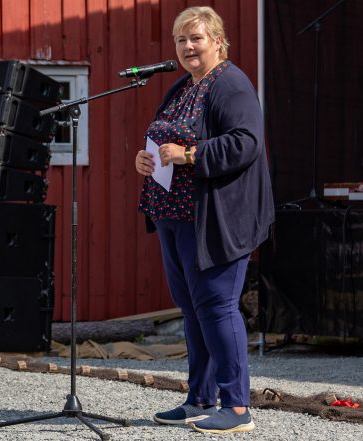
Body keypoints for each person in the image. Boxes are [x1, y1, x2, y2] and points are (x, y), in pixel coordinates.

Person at [133, 6, 274, 434]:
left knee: (217, 307)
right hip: (175, 217)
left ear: (217, 40)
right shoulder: (182, 86)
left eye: (196, 38)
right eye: (181, 40)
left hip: (215, 219)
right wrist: (148, 158)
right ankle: (199, 398)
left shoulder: (230, 84)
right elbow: (164, 139)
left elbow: (245, 142)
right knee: (193, 311)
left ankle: (236, 408)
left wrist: (190, 155)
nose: (188, 47)